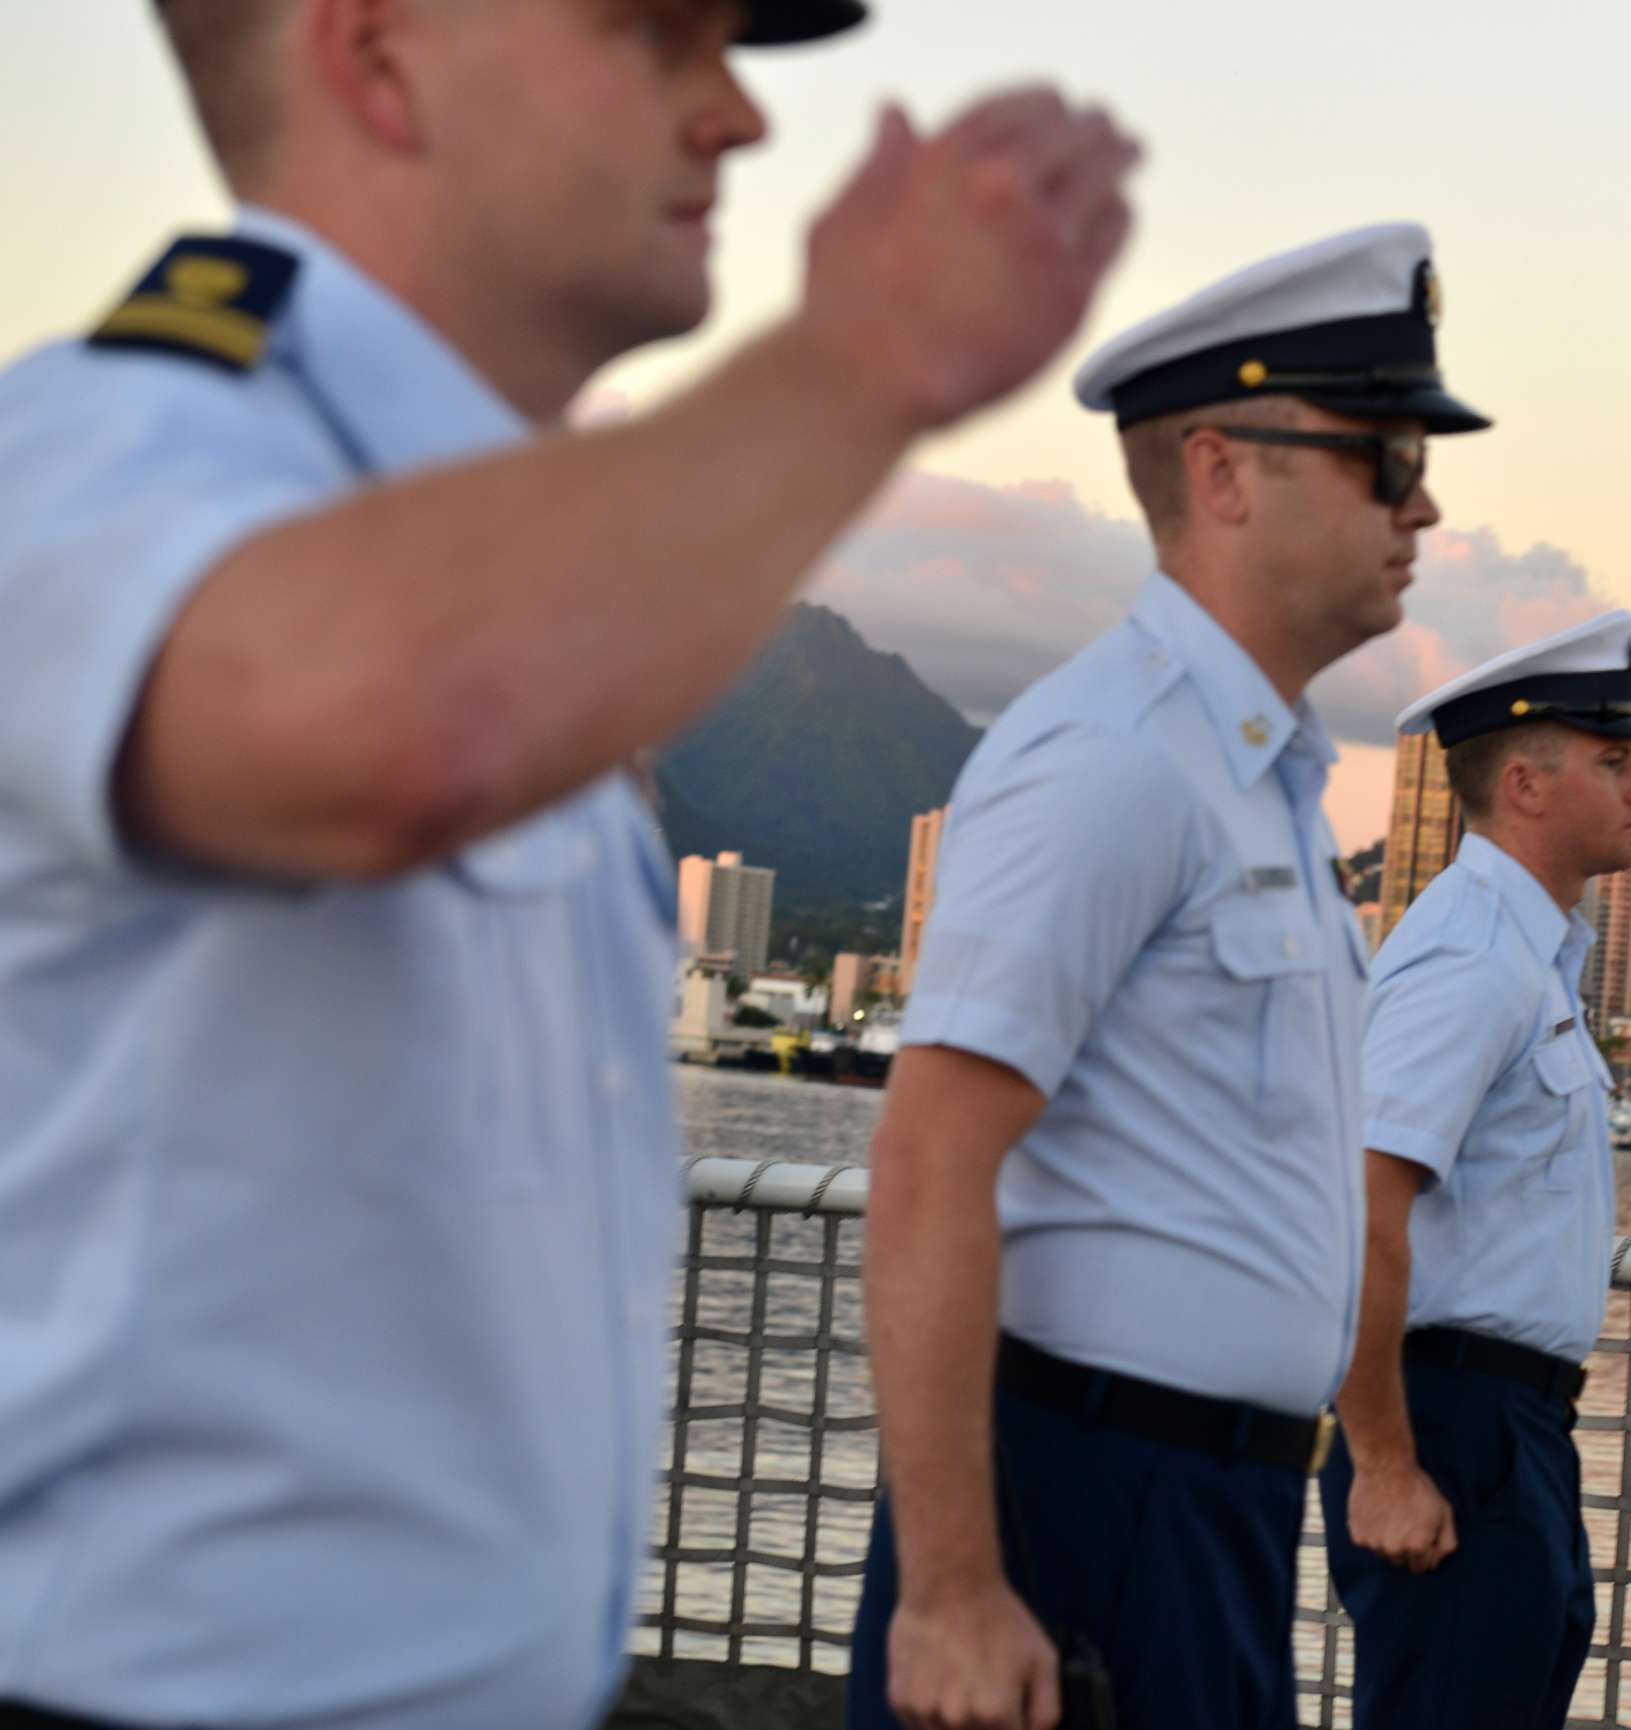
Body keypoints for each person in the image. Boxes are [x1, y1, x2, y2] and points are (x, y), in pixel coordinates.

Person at [0, 4, 1138, 1726]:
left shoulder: (535, 577)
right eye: (656, 36)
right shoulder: (106, 449)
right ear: (375, 53)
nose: (739, 116)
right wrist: (867, 349)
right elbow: (380, 723)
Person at [850, 223, 1488, 1730]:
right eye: (1386, 456)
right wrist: (950, 1587)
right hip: (1080, 1504)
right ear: (1223, 471)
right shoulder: (1116, 756)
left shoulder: (1256, 779)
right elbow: (930, 1152)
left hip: (1215, 1512)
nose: (1427, 498)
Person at [1319, 612, 1631, 1726]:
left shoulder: (1530, 953)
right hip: (1451, 1421)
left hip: (1513, 1429)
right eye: (1615, 762)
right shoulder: (1471, 955)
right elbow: (1361, 1205)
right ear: (1524, 782)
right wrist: (1381, 1459)